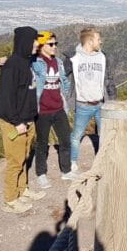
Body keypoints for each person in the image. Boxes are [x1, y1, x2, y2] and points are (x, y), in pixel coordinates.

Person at [0, 26, 46, 214]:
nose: (36, 44)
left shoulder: (25, 62)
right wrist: (17, 122)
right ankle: (10, 199)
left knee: (23, 158)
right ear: (25, 42)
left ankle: (22, 190)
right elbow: (4, 101)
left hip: (27, 120)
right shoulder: (13, 66)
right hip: (16, 123)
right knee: (15, 161)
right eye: (33, 40)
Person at [32, 31, 74, 188]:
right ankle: (41, 173)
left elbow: (63, 80)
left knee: (65, 140)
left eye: (55, 43)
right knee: (42, 144)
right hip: (42, 111)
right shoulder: (35, 62)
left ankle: (66, 170)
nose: (54, 47)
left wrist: (65, 97)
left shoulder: (58, 62)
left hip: (59, 108)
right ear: (42, 46)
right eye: (51, 44)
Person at [69, 27, 108, 172]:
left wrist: (110, 98)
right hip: (83, 104)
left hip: (100, 103)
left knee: (104, 134)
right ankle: (73, 161)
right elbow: (64, 77)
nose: (101, 41)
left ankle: (103, 160)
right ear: (90, 41)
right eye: (98, 39)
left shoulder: (102, 57)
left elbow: (107, 79)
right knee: (77, 135)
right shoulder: (74, 59)